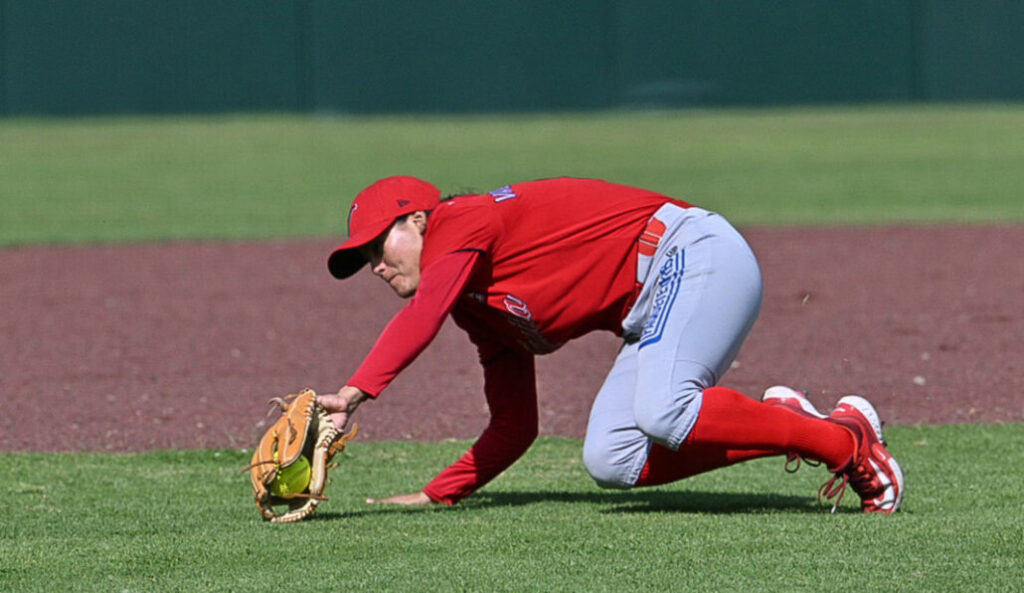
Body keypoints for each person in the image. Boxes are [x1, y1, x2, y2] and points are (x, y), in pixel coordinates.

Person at [317, 176, 904, 513]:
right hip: (653, 309)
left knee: (664, 408)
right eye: (364, 258)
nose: (374, 265)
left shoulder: (461, 219)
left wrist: (354, 393)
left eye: (377, 247)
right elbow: (516, 426)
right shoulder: (478, 308)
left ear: (418, 221)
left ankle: (849, 445)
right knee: (612, 460)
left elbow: (422, 317)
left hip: (693, 253)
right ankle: (785, 422)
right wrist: (436, 494)